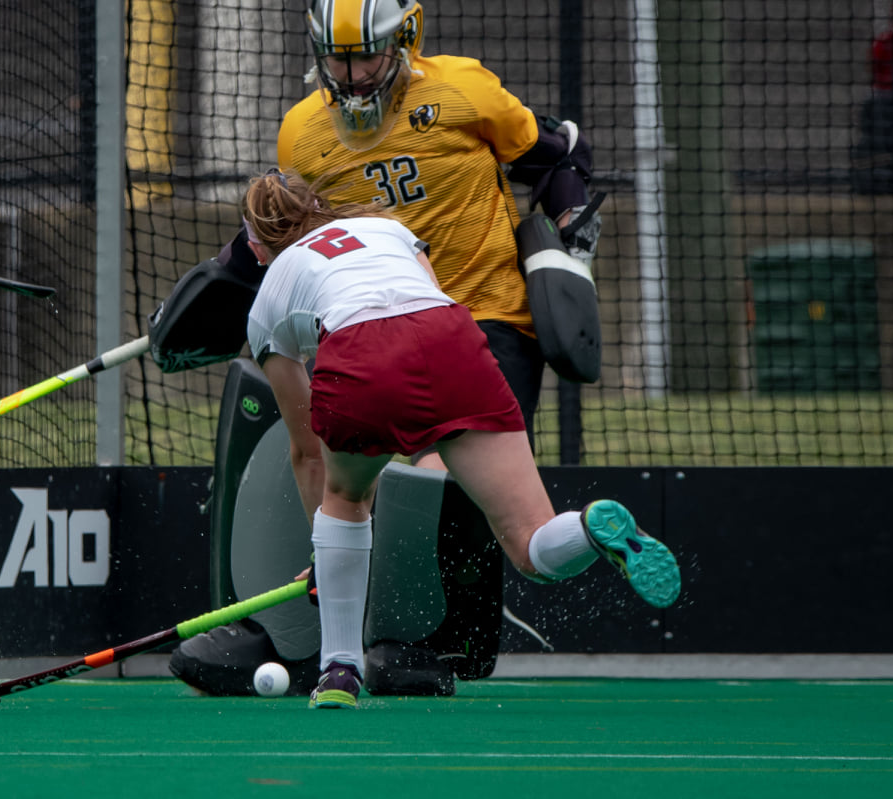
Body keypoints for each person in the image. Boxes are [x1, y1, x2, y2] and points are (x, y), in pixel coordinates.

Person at [161, 0, 604, 695]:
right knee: (321, 449)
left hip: (484, 311)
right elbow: (290, 225)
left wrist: (568, 231)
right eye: (337, 56)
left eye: (367, 53)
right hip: (367, 316)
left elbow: (560, 155)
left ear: (405, 41)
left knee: (445, 485)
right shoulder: (302, 133)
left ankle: (438, 642)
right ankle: (327, 633)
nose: (354, 72)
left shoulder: (464, 91)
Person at [238, 169, 678, 708]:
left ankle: (339, 671)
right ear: (320, 207)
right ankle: (589, 528)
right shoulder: (386, 227)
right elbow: (427, 300)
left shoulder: (266, 303)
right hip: (452, 338)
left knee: (345, 499)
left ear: (258, 246)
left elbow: (307, 450)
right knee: (530, 544)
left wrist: (321, 550)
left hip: (359, 349)